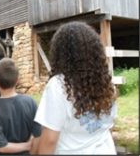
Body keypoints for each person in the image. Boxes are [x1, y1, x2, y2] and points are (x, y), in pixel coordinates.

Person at [34, 22, 117, 154]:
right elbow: (107, 126)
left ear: (61, 54)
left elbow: (50, 139)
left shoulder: (58, 85)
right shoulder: (106, 82)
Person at [0, 57, 41, 155]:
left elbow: (2, 147)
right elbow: (38, 134)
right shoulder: (30, 102)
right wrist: (28, 146)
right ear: (17, 80)